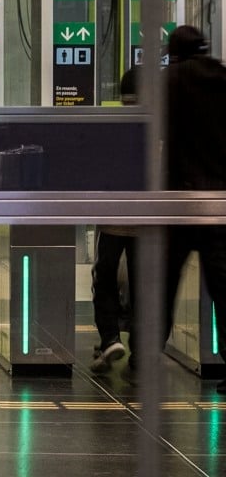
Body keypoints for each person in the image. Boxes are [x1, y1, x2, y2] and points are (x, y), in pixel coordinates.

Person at [161, 25, 226, 392]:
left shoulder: (170, 82)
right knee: (223, 287)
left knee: (163, 282)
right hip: (219, 200)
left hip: (180, 199)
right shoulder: (222, 78)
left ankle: (147, 355)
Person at [90, 67, 141, 375]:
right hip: (148, 222)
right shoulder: (157, 126)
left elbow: (98, 169)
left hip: (112, 221)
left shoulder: (111, 125)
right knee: (144, 283)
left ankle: (110, 338)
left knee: (105, 277)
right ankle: (142, 349)